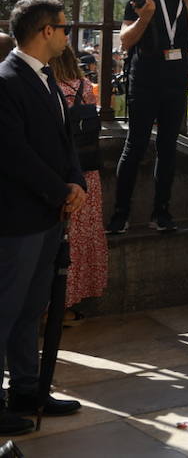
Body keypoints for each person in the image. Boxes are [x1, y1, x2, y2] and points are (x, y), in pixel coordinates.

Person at [0, 0, 86, 436]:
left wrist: (77, 182)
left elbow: (63, 140)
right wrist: (60, 189)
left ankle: (27, 389)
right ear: (45, 31)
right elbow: (14, 154)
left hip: (49, 214)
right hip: (18, 218)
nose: (68, 35)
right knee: (6, 308)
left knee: (31, 308)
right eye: (64, 27)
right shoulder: (7, 80)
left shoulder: (46, 77)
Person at [108, 0, 188, 234]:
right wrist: (146, 16)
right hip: (145, 80)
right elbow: (125, 41)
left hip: (176, 82)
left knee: (168, 148)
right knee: (135, 146)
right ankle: (120, 213)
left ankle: (161, 211)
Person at [49, 45, 108, 321]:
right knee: (82, 240)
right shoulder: (85, 85)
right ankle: (67, 303)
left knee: (61, 240)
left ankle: (52, 306)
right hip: (88, 171)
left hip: (61, 171)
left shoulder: (51, 89)